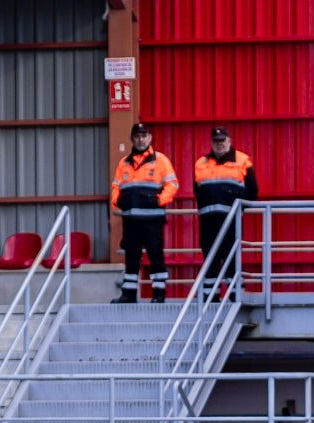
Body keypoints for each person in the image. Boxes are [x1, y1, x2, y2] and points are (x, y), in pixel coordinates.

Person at [110, 123, 178, 303]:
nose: (141, 139)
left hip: (152, 219)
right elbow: (116, 186)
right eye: (137, 136)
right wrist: (117, 201)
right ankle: (129, 294)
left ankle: (159, 294)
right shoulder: (124, 163)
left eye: (144, 136)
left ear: (150, 138)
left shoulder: (161, 161)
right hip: (131, 220)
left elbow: (172, 185)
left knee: (156, 255)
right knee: (131, 257)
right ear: (132, 139)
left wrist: (159, 200)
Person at [193, 127, 256, 281]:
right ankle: (211, 298)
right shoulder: (201, 163)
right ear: (211, 142)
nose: (219, 144)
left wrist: (240, 210)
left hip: (231, 220)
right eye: (216, 141)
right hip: (208, 221)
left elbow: (252, 190)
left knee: (231, 257)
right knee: (210, 258)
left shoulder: (242, 161)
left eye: (222, 140)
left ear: (229, 141)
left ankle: (234, 296)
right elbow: (197, 190)